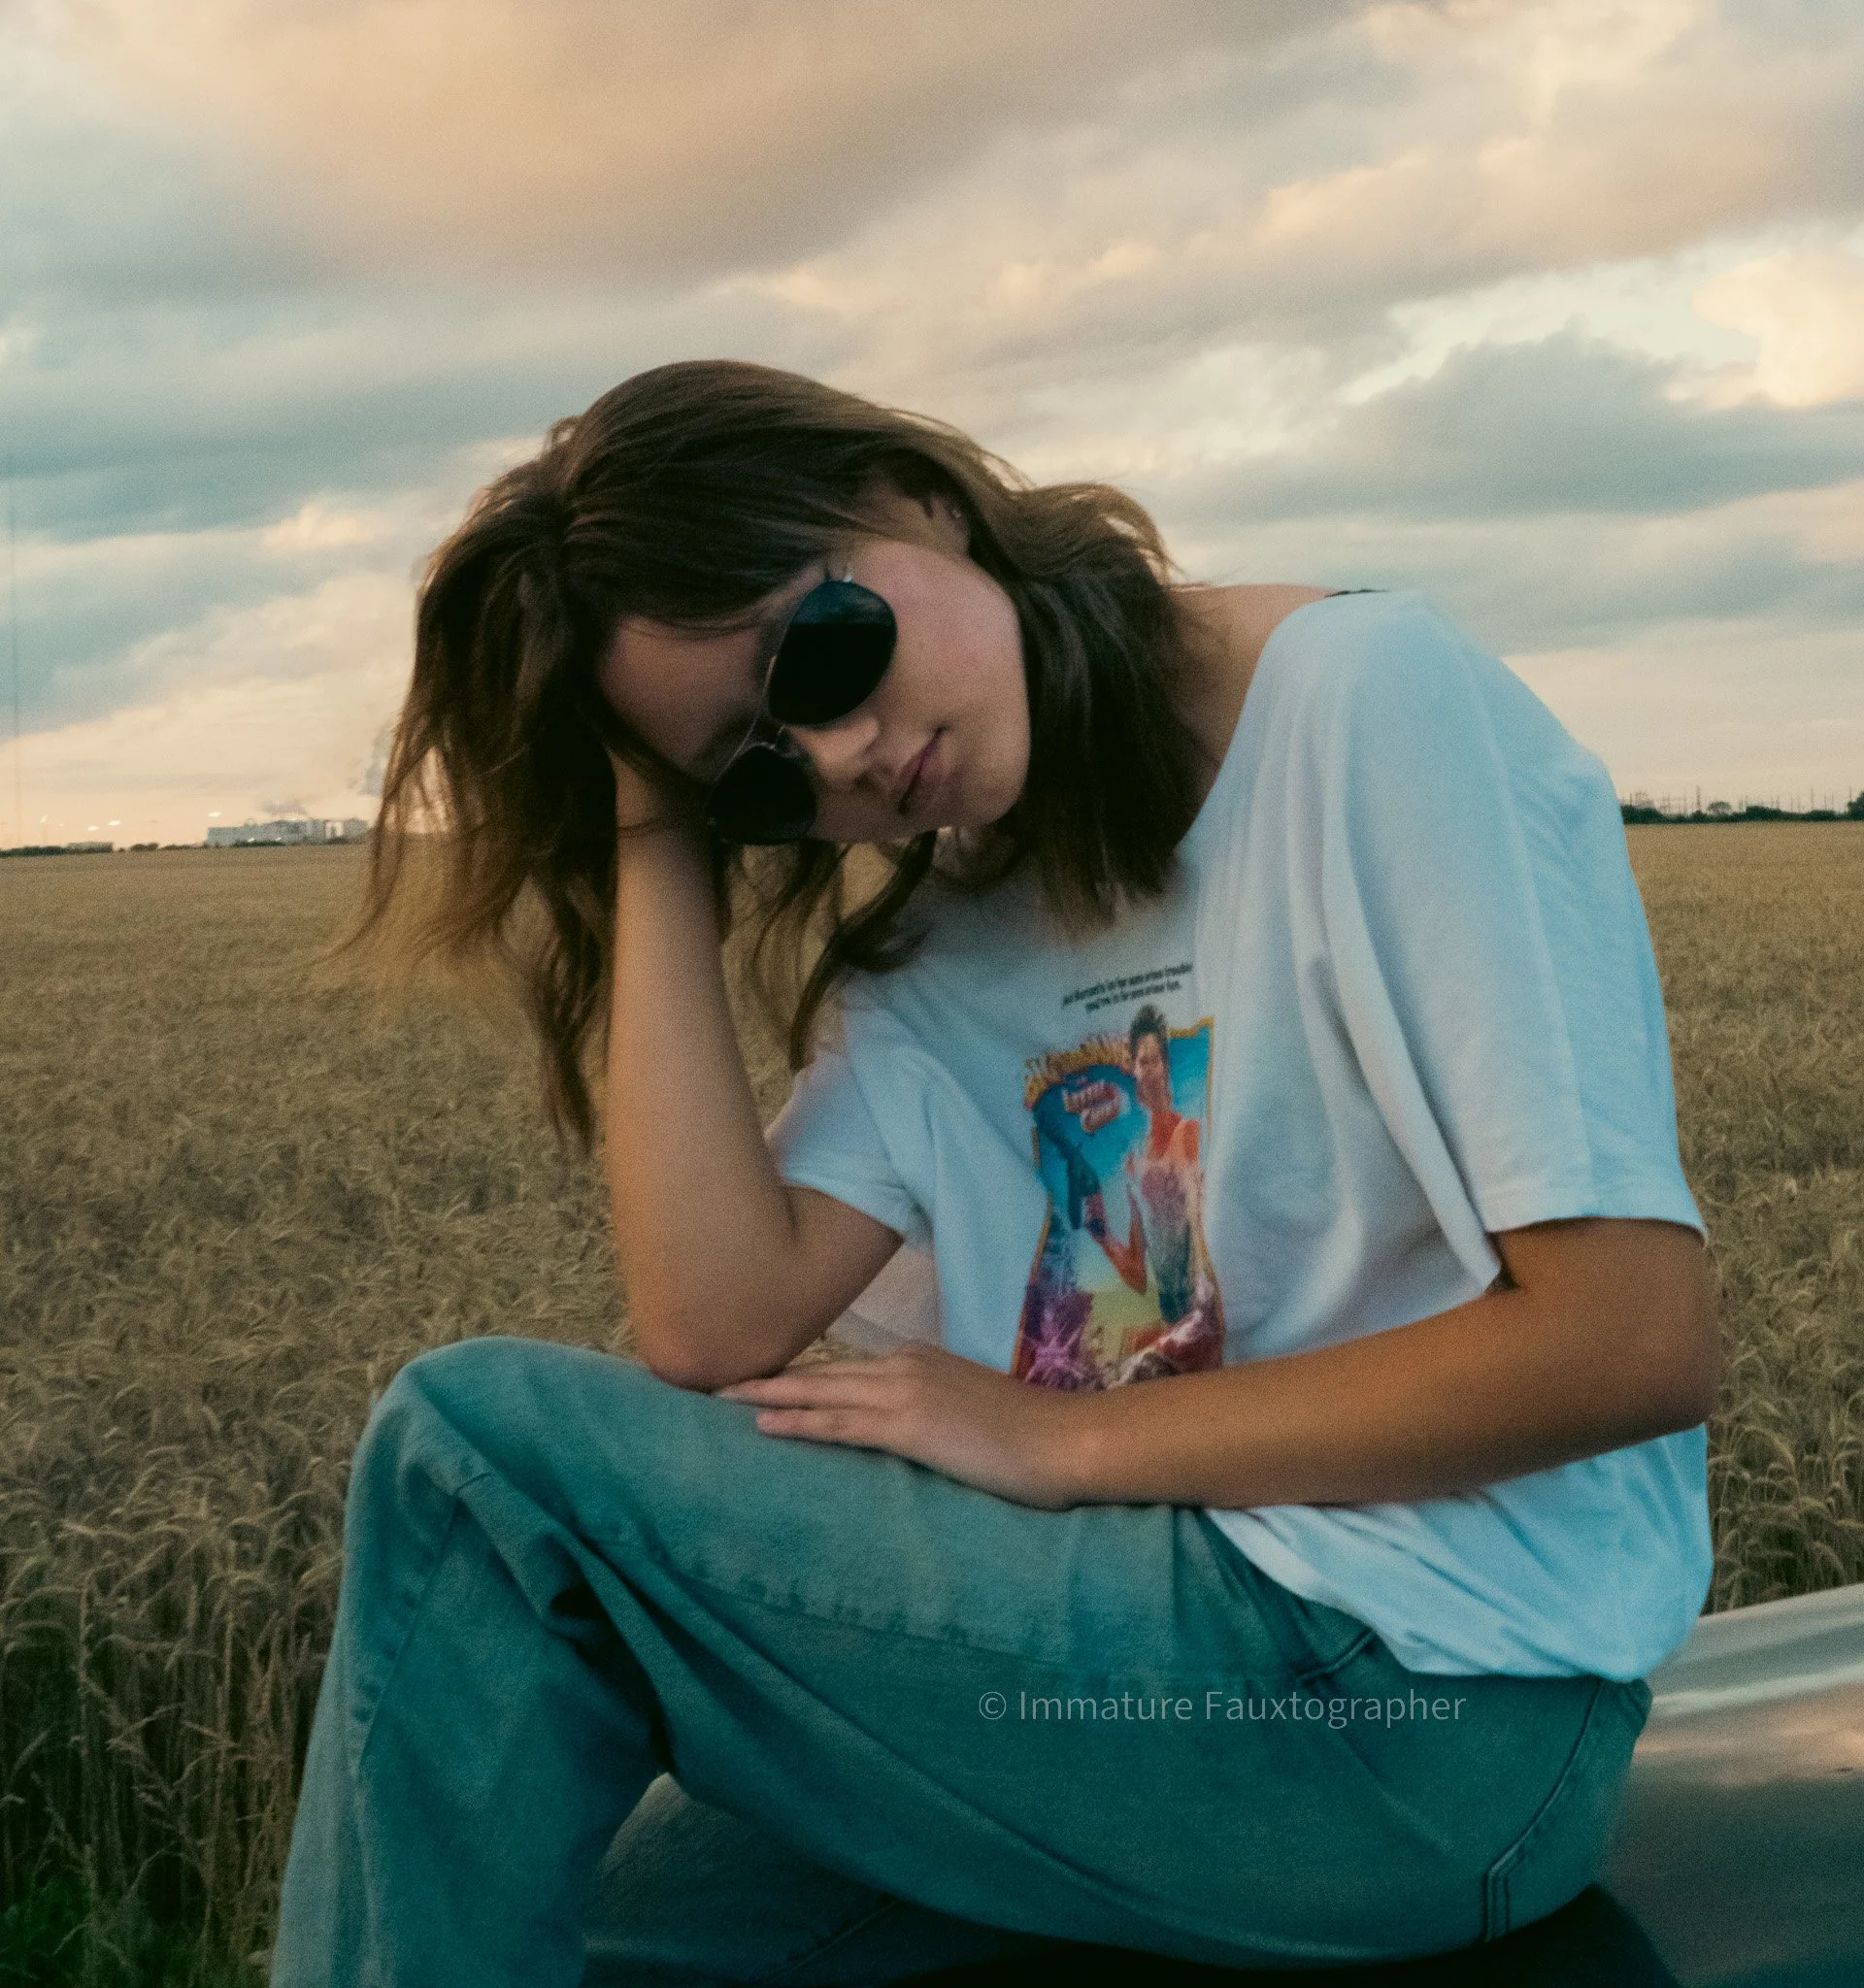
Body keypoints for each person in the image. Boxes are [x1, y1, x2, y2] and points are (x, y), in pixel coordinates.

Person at [271, 359, 1719, 1987]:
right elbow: (713, 1320)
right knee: (604, 1922)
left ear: (919, 498)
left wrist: (1072, 1438)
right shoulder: (946, 927)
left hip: (1428, 1708)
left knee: (476, 1454)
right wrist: (652, 832)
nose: (839, 758)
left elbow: (1633, 1340)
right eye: (756, 772)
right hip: (1153, 1660)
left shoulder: (1360, 701)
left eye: (816, 653)